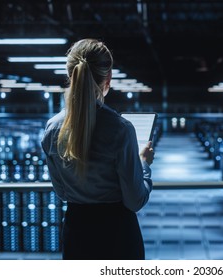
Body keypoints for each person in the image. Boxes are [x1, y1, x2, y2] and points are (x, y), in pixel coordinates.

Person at [41, 38, 154, 260]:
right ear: (108, 78)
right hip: (118, 237)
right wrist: (144, 164)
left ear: (70, 75)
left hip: (77, 234)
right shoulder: (121, 129)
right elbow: (135, 200)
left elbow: (62, 193)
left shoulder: (52, 128)